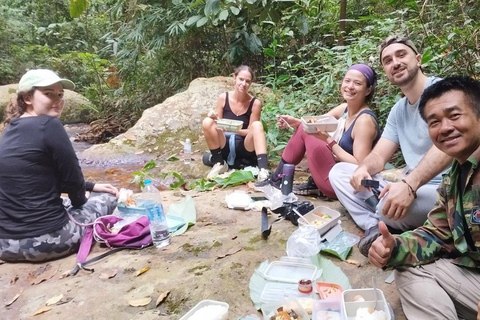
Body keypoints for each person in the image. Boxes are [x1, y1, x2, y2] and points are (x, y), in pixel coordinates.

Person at [328, 36, 452, 256]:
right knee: (339, 172)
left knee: (387, 205)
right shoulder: (399, 109)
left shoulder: (443, 92)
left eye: (401, 55)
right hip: (409, 183)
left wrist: (409, 184)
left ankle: (385, 219)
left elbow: (448, 147)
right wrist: (364, 168)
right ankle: (375, 226)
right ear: (386, 71)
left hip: (445, 188)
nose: (395, 62)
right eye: (387, 60)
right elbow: (379, 154)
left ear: (418, 59)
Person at [369, 76, 480, 320]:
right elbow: (438, 234)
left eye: (454, 116)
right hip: (473, 275)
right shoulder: (455, 176)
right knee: (406, 269)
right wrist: (393, 248)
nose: (445, 128)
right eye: (434, 122)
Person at [0, 69, 118, 262]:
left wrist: (90, 186)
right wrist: (84, 198)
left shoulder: (9, 130)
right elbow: (73, 184)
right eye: (49, 94)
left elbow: (35, 180)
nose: (58, 99)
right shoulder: (50, 125)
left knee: (66, 201)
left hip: (5, 245)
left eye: (60, 95)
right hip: (47, 242)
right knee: (107, 198)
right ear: (28, 97)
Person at [256, 63, 381, 199]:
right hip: (334, 173)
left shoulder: (364, 121)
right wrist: (296, 122)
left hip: (345, 185)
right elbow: (315, 122)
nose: (350, 86)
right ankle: (278, 180)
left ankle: (277, 180)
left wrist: (329, 140)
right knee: (305, 128)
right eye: (347, 81)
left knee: (307, 131)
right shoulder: (345, 108)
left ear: (368, 90)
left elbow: (360, 164)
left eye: (357, 83)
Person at [202, 65, 269, 180]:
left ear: (250, 83)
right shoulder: (223, 98)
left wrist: (237, 130)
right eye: (241, 79)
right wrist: (214, 118)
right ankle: (219, 163)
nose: (243, 84)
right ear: (235, 78)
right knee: (207, 122)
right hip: (224, 142)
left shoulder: (255, 103)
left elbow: (251, 130)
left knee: (257, 125)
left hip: (244, 144)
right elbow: (218, 124)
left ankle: (263, 170)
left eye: (247, 81)